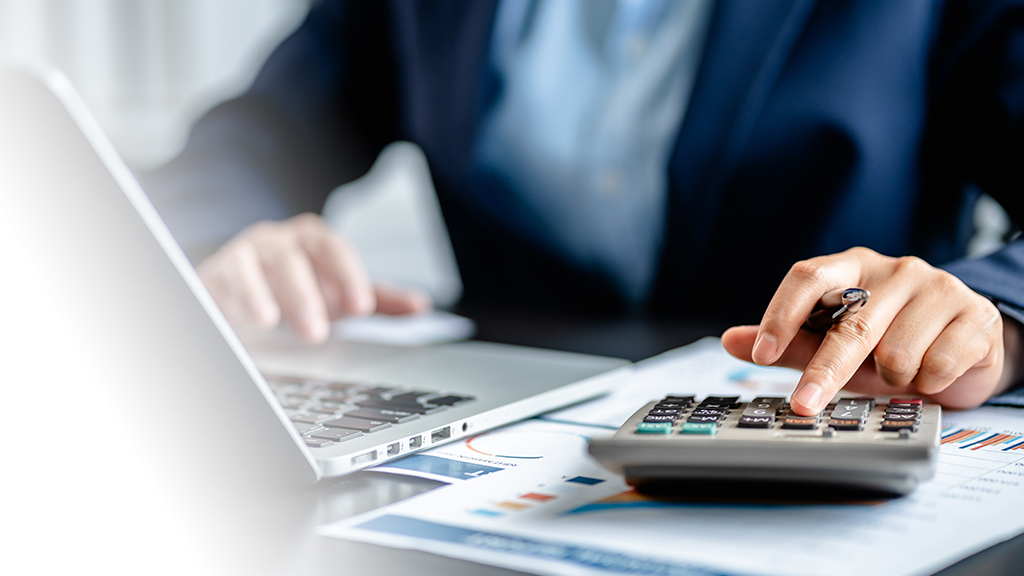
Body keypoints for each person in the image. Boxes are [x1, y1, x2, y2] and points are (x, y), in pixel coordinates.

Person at [144, 0, 1024, 417]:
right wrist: (237, 237)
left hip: (821, 427)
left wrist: (996, 325)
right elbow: (245, 143)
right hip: (494, 443)